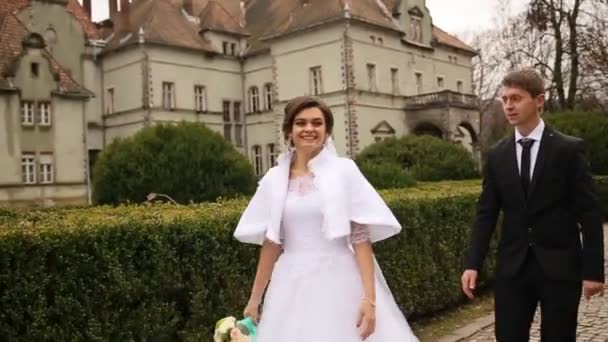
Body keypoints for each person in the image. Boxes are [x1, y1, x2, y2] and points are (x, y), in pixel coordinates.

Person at [233, 96, 419, 341]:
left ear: (327, 130)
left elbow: (361, 238)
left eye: (317, 123)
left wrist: (370, 300)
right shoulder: (273, 179)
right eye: (301, 123)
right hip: (289, 283)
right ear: (289, 130)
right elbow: (271, 243)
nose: (309, 129)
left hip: (340, 281)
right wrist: (254, 301)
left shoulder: (345, 171)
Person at [461, 69, 605, 341]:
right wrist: (473, 264)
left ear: (539, 100)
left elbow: (589, 212)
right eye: (504, 99)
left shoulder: (568, 149)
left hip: (560, 267)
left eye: (516, 98)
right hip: (512, 268)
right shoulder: (497, 155)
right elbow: (486, 214)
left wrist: (593, 271)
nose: (508, 106)